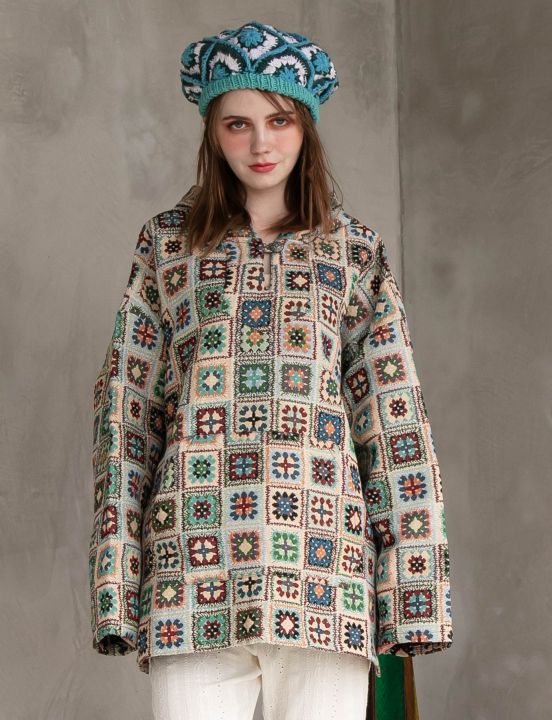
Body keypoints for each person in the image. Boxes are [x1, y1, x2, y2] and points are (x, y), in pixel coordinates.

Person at [88, 20, 454, 720]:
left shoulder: (353, 252)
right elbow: (126, 415)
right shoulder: (166, 246)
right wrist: (117, 580)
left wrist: (412, 596)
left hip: (322, 572)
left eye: (279, 121)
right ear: (212, 134)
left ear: (305, 127)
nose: (261, 144)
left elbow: (394, 421)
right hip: (192, 573)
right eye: (238, 124)